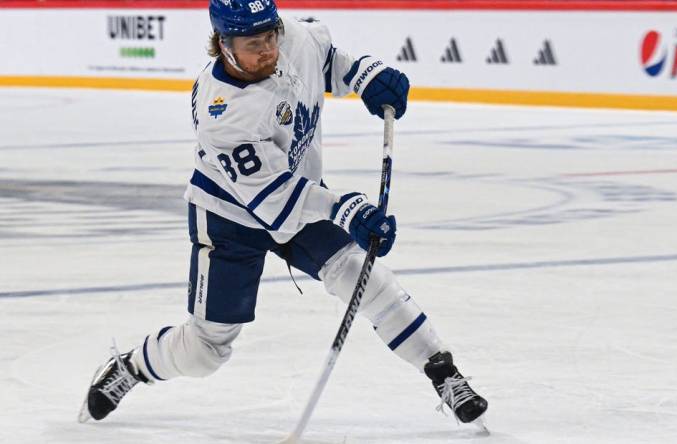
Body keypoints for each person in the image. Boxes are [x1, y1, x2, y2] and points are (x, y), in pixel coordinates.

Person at [79, 0, 488, 427]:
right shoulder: (223, 113)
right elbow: (276, 198)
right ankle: (134, 367)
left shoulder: (291, 38)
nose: (268, 50)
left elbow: (327, 60)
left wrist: (365, 75)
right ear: (223, 44)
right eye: (254, 44)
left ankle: (442, 372)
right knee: (205, 350)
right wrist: (346, 210)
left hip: (299, 195)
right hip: (229, 218)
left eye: (271, 36)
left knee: (361, 277)